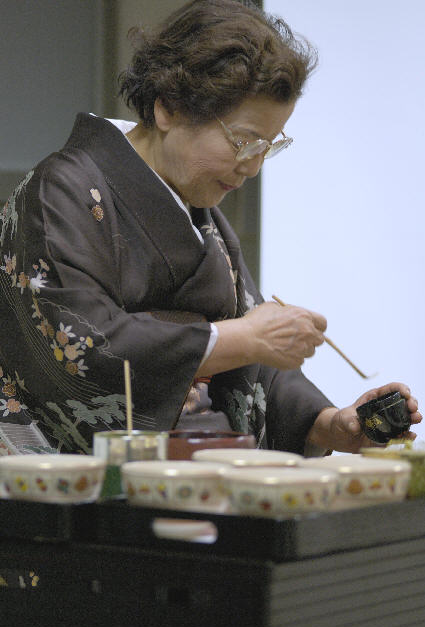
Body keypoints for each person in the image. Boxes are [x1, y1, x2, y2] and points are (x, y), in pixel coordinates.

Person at [0, 0, 420, 456]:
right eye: (243, 141)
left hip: (208, 461)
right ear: (169, 108)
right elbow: (83, 345)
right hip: (103, 478)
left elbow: (253, 370)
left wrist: (328, 425)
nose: (253, 167)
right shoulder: (61, 190)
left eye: (268, 147)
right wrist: (242, 338)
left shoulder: (198, 207)